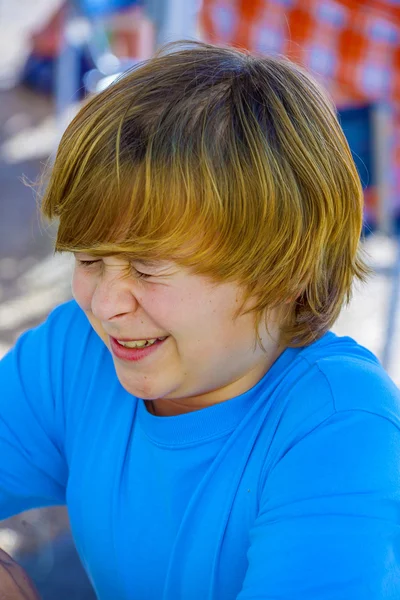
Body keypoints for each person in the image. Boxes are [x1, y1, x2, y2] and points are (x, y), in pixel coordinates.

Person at [1, 40, 400, 600]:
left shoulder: (339, 431)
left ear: (280, 271)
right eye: (90, 259)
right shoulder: (77, 350)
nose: (106, 304)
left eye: (148, 267)